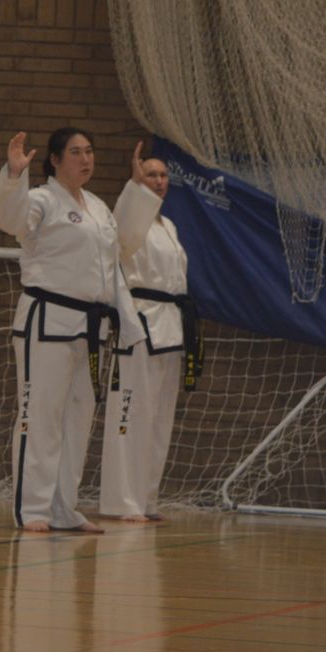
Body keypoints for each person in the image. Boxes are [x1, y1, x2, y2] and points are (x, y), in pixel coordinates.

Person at [0, 127, 124, 534]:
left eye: (89, 151)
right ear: (54, 159)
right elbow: (7, 219)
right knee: (41, 417)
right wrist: (14, 176)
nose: (86, 159)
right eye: (76, 152)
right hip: (47, 321)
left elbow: (112, 268)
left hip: (91, 326)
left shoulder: (99, 207)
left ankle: (64, 507)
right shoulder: (41, 200)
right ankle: (32, 509)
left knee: (77, 421)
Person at [102, 145, 197, 523]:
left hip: (171, 326)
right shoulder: (128, 219)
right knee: (132, 416)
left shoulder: (168, 226)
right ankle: (121, 501)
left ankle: (146, 497)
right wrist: (134, 186)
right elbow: (121, 240)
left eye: (162, 177)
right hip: (138, 325)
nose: (158, 182)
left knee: (159, 420)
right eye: (150, 175)